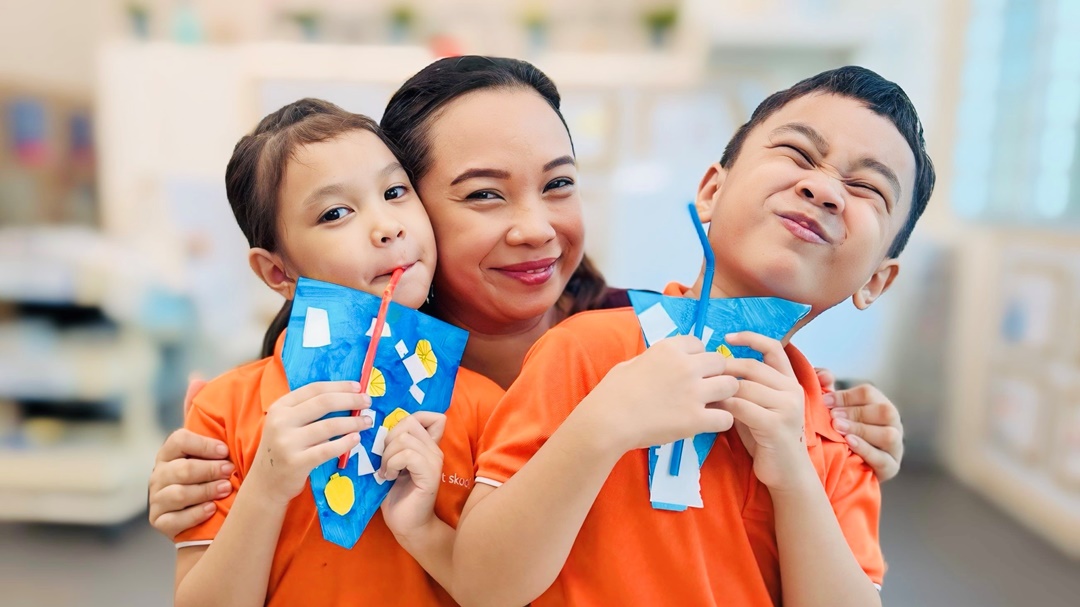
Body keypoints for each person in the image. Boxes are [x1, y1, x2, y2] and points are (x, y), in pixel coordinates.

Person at [447, 65, 935, 606]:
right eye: (798, 154)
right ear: (710, 192)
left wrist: (794, 476)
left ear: (876, 280)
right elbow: (482, 587)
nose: (821, 188)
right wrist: (602, 425)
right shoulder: (582, 352)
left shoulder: (840, 439)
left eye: (867, 187)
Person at [171, 99, 501, 607]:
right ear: (278, 272)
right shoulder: (222, 412)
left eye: (395, 191)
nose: (387, 226)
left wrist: (421, 528)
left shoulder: (486, 407)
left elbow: (508, 591)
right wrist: (266, 488)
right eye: (335, 213)